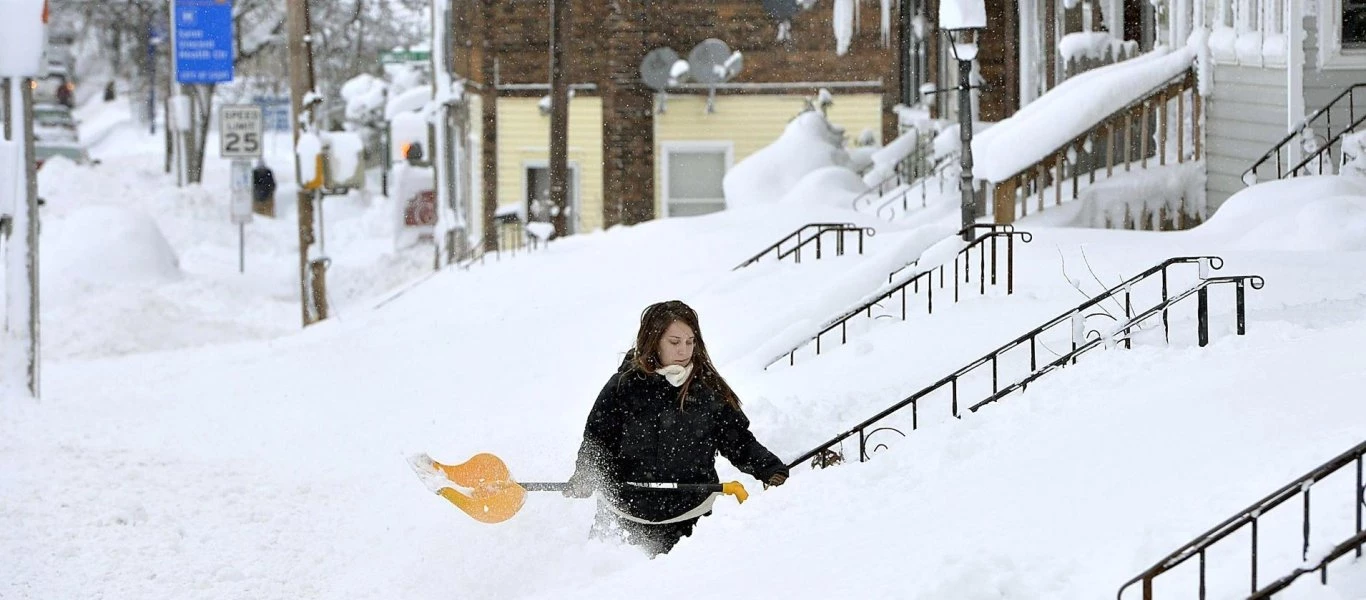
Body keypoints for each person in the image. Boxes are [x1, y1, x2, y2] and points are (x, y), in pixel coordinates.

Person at [565, 300, 789, 556]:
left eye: (690, 342)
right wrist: (586, 474)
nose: (684, 350)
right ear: (654, 341)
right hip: (621, 517)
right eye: (674, 342)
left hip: (689, 522)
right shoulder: (623, 387)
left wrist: (771, 470)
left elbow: (739, 442)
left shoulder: (708, 391)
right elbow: (597, 440)